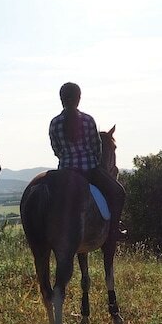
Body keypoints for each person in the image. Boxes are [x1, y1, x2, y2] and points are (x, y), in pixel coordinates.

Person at [49, 82, 126, 241]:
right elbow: (96, 147)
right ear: (79, 98)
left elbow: (56, 149)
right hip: (89, 170)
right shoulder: (88, 120)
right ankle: (114, 230)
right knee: (119, 193)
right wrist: (93, 161)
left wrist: (67, 159)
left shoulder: (54, 122)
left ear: (61, 99)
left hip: (65, 171)